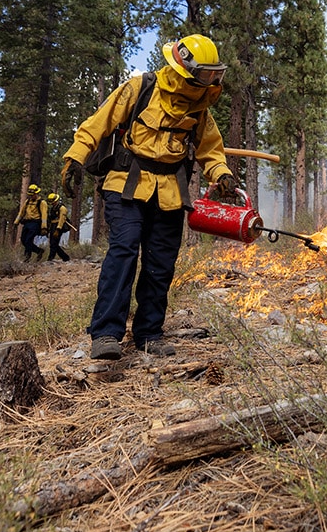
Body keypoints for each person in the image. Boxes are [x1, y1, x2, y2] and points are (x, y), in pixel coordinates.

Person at [61, 34, 242, 360]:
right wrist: (75, 157)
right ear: (183, 68)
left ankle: (148, 333)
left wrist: (221, 174)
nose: (210, 81)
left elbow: (210, 149)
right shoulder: (140, 87)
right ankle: (105, 334)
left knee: (160, 264)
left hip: (171, 192)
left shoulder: (199, 107)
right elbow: (96, 124)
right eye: (204, 75)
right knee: (125, 249)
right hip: (127, 184)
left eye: (214, 75)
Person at [12, 185, 46, 261]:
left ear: (37, 193)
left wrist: (44, 227)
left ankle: (27, 257)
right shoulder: (27, 202)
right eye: (30, 195)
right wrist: (16, 222)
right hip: (27, 223)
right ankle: (38, 251)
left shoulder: (42, 203)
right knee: (24, 240)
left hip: (35, 224)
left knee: (28, 240)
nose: (31, 196)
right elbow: (21, 213)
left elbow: (44, 216)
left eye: (32, 195)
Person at [44, 192, 71, 263]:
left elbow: (62, 219)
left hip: (59, 226)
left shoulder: (62, 208)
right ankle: (65, 257)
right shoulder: (53, 208)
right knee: (53, 244)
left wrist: (58, 229)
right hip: (53, 226)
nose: (52, 203)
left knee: (54, 243)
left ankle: (51, 258)